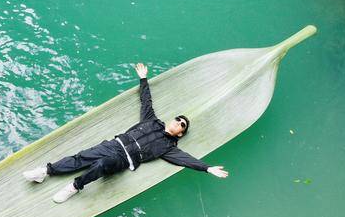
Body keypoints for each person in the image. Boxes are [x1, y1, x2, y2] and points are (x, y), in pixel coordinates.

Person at [22, 63, 229, 203]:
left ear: (180, 134)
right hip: (115, 144)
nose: (178, 123)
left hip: (125, 159)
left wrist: (207, 168)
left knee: (101, 165)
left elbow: (185, 159)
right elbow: (146, 101)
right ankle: (45, 172)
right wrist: (143, 79)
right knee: (82, 157)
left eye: (182, 125)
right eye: (178, 119)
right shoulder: (151, 120)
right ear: (172, 120)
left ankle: (75, 187)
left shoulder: (168, 147)